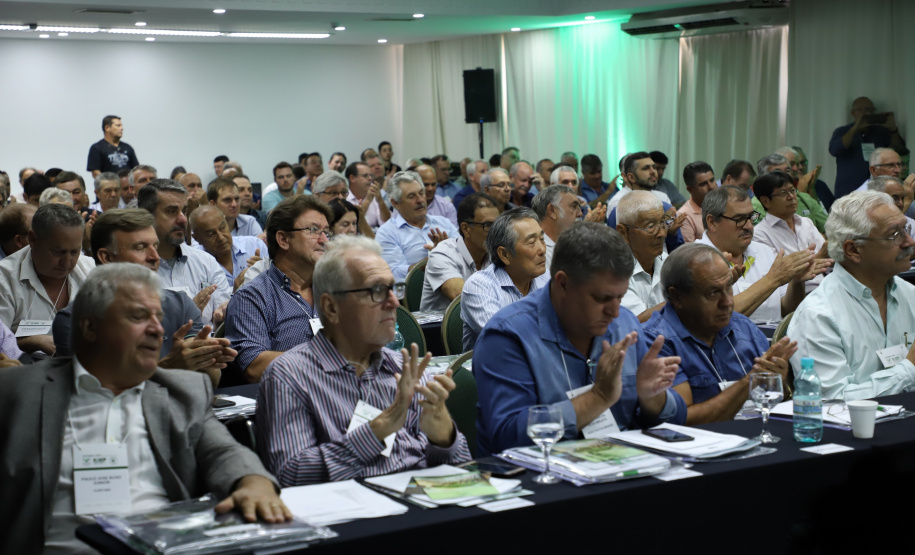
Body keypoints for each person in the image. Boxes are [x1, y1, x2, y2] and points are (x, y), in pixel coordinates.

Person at [0, 263, 290, 553]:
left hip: (161, 544)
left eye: (159, 317)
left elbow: (223, 451)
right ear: (90, 326)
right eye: (139, 316)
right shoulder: (17, 391)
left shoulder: (181, 391)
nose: (157, 329)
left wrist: (253, 482)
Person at [257, 236, 470, 485]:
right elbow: (290, 475)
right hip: (352, 514)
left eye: (393, 289)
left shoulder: (406, 368)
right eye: (377, 291)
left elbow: (463, 470)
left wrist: (443, 436)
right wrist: (380, 428)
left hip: (419, 505)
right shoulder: (290, 376)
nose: (394, 302)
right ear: (332, 307)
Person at [474, 222, 685, 456]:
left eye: (620, 297)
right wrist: (598, 397)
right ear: (563, 284)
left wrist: (653, 399)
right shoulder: (508, 335)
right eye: (602, 299)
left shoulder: (624, 324)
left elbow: (677, 419)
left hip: (622, 468)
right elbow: (507, 436)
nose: (614, 312)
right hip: (543, 479)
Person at [52, 209, 233, 386]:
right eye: (140, 248)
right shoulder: (74, 320)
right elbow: (97, 393)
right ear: (106, 257)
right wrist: (168, 367)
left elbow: (210, 381)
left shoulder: (180, 304)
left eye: (155, 246)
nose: (155, 257)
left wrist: (206, 358)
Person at [643, 243, 797, 423]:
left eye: (729, 287)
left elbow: (776, 398)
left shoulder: (744, 327)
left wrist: (779, 381)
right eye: (713, 293)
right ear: (677, 297)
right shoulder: (656, 343)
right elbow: (682, 421)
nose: (727, 302)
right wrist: (748, 383)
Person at [787, 191, 915, 400]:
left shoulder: (910, 294)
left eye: (906, 229)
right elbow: (831, 400)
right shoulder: (819, 315)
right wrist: (909, 368)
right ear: (853, 249)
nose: (909, 242)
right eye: (894, 235)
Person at [224, 195, 333, 385]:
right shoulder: (253, 297)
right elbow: (254, 366)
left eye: (326, 232)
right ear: (283, 239)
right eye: (314, 230)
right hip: (287, 401)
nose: (324, 240)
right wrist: (323, 361)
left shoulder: (335, 290)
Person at [696, 186, 829, 323]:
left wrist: (797, 281)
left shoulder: (764, 251)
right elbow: (719, 316)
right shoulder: (695, 259)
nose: (748, 226)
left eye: (751, 217)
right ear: (712, 222)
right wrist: (773, 279)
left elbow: (786, 309)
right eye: (739, 219)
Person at [0, 204, 95, 356]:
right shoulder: (4, 280)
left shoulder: (88, 269)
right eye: (58, 252)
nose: (67, 262)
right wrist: (31, 342)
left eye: (74, 251)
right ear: (32, 239)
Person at [138, 179, 231, 327]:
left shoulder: (206, 262)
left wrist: (224, 317)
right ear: (146, 215)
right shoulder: (133, 269)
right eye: (171, 211)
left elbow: (223, 319)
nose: (182, 219)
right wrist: (187, 315)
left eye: (184, 211)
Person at [461, 208, 549, 351]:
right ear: (504, 254)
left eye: (542, 239)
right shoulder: (480, 286)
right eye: (532, 242)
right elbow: (505, 338)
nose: (542, 250)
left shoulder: (547, 279)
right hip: (495, 369)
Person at [375, 171, 458, 281]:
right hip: (416, 293)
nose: (420, 200)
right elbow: (394, 273)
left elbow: (465, 257)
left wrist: (450, 251)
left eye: (421, 193)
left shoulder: (444, 223)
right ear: (395, 203)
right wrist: (432, 259)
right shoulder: (387, 233)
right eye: (411, 196)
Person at [420, 193, 497, 311]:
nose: (495, 232)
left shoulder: (497, 254)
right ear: (466, 229)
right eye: (487, 225)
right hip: (438, 328)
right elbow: (462, 296)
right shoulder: (442, 254)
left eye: (497, 225)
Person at [829, 96, 906, 199]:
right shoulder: (842, 131)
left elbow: (899, 151)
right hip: (848, 190)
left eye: (870, 110)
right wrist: (855, 128)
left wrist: (892, 129)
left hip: (879, 190)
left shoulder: (881, 132)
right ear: (853, 113)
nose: (867, 113)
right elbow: (835, 150)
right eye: (862, 110)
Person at [617, 191, 670, 322]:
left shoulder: (667, 261)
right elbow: (636, 322)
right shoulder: (614, 271)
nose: (662, 233)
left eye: (663, 222)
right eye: (650, 227)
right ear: (623, 232)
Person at [190, 205, 268, 291]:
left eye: (222, 228)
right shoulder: (195, 266)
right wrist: (235, 292)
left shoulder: (255, 245)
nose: (221, 237)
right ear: (197, 238)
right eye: (211, 234)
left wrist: (265, 274)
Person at [753, 171, 827, 259]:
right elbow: (778, 270)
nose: (791, 196)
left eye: (792, 190)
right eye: (783, 193)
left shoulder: (806, 222)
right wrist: (818, 258)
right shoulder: (760, 234)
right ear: (766, 201)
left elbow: (826, 256)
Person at [754, 154, 828, 233]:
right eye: (778, 172)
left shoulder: (805, 199)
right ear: (764, 177)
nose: (784, 175)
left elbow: (829, 228)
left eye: (787, 171)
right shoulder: (757, 204)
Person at [532, 184, 585, 270]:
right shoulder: (536, 251)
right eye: (574, 206)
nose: (580, 214)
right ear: (552, 211)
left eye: (579, 207)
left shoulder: (576, 245)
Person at [677, 161, 717, 242]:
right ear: (690, 189)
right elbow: (689, 253)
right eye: (703, 184)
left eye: (712, 180)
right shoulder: (684, 216)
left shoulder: (723, 205)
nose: (711, 187)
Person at [344, 161, 390, 229]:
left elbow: (387, 222)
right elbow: (354, 223)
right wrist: (368, 201)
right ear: (352, 178)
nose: (370, 179)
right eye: (365, 176)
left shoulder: (373, 193)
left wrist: (380, 201)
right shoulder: (344, 197)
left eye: (370, 175)